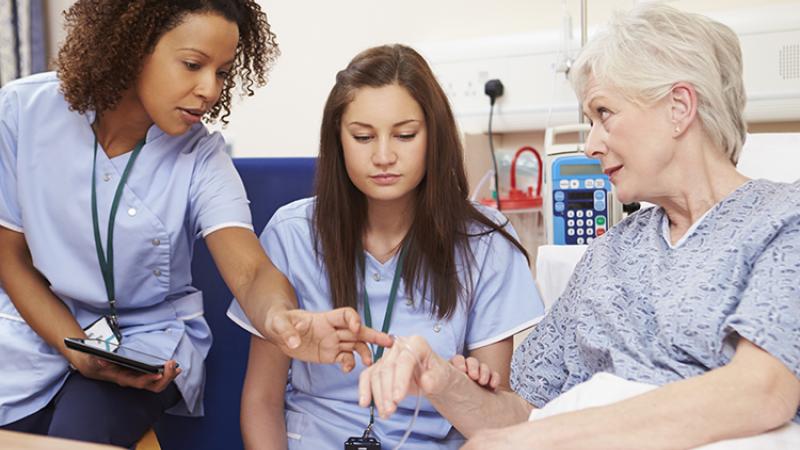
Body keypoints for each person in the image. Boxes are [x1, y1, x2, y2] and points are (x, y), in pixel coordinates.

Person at [357, 4, 800, 449]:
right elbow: (526, 414)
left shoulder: (783, 221)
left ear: (679, 107)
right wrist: (441, 380)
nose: (590, 145)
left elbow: (761, 392)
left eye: (603, 114)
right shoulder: (611, 253)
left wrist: (543, 439)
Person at [0, 1, 389, 447]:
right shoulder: (22, 112)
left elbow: (250, 270)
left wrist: (283, 319)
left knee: (78, 436)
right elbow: (9, 255)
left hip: (139, 349)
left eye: (223, 72)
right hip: (35, 331)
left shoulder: (202, 158)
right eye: (192, 64)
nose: (209, 89)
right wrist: (74, 346)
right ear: (132, 47)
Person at [226, 44, 545, 449]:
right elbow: (262, 400)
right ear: (337, 140)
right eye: (362, 137)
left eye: (405, 135)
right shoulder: (291, 235)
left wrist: (460, 384)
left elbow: (493, 425)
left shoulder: (485, 242)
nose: (383, 156)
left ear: (435, 135)